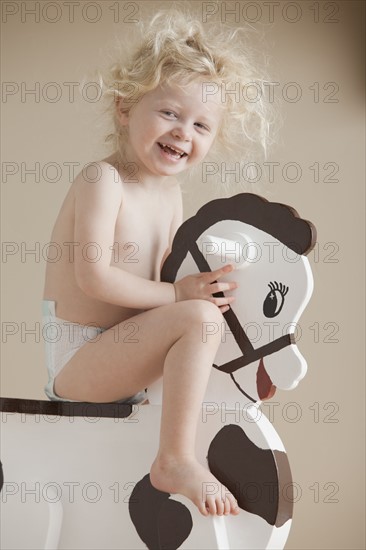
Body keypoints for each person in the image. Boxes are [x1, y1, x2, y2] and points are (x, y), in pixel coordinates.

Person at [42, 9, 270, 517]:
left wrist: (212, 282)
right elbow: (94, 276)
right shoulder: (103, 181)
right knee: (196, 314)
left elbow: (170, 281)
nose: (183, 132)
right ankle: (174, 460)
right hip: (80, 361)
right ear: (124, 107)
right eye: (169, 113)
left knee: (208, 314)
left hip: (126, 351)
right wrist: (182, 296)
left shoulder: (171, 198)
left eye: (201, 125)